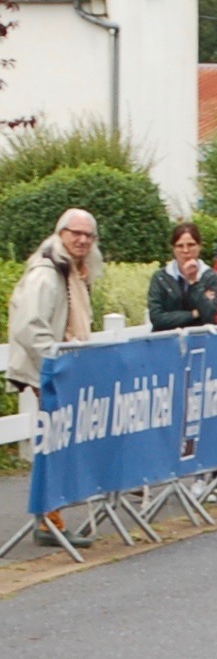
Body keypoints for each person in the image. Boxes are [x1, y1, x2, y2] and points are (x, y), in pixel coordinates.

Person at [5, 208, 103, 547]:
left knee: (60, 444)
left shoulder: (73, 271)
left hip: (62, 370)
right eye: (75, 233)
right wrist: (55, 364)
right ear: (60, 233)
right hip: (48, 372)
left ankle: (52, 518)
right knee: (54, 445)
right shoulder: (47, 273)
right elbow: (29, 326)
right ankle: (48, 522)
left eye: (88, 235)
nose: (82, 240)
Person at [147, 222, 217, 331]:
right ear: (173, 249)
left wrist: (194, 282)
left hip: (200, 340)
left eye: (191, 245)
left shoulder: (212, 277)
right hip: (166, 341)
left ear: (200, 246)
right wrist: (194, 314)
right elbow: (157, 318)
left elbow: (211, 317)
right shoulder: (160, 278)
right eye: (180, 246)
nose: (186, 251)